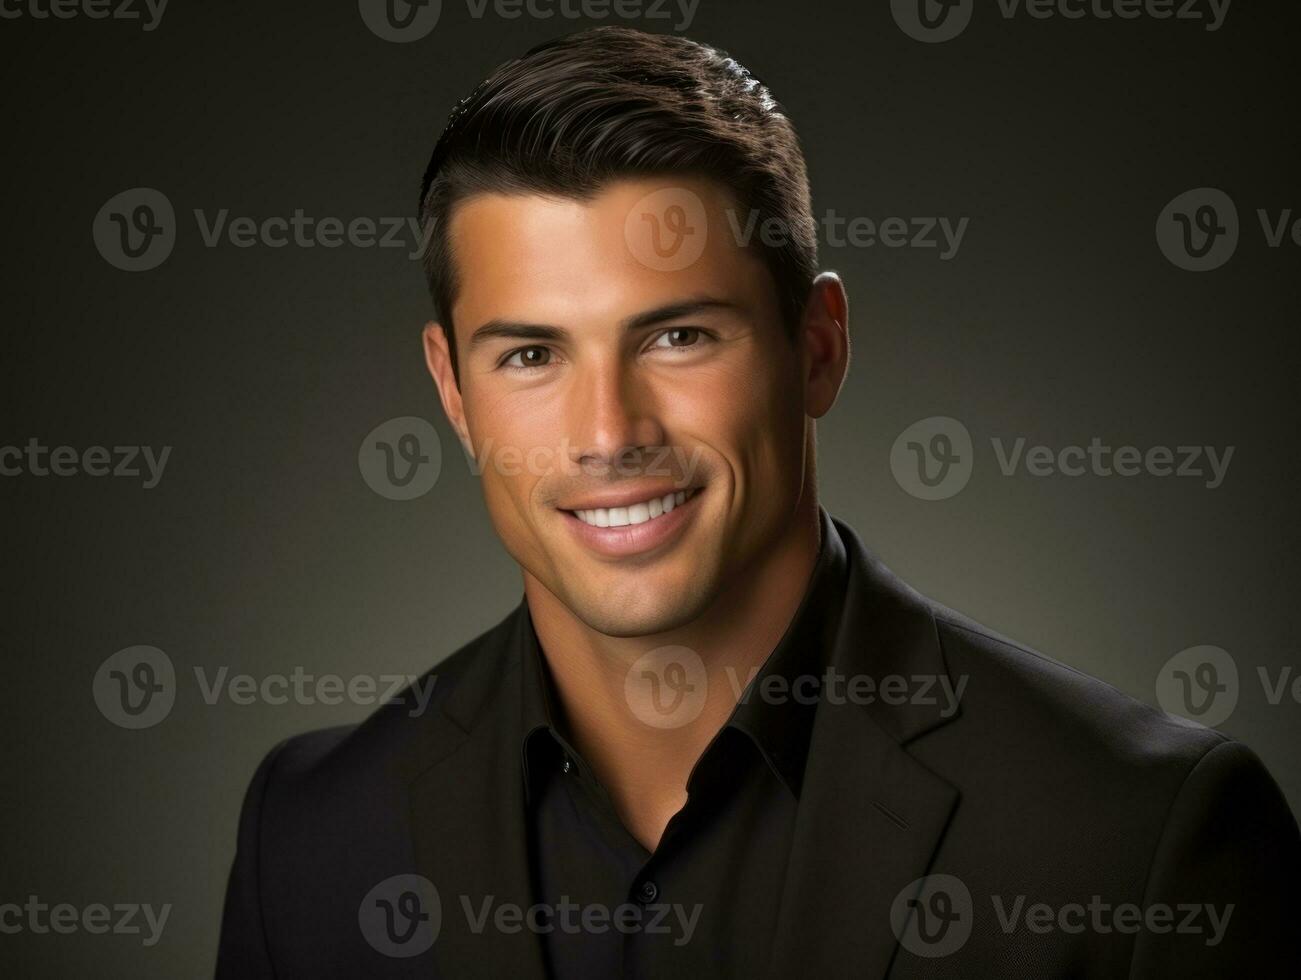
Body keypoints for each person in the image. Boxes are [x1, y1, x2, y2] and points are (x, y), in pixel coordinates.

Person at [216, 26, 1298, 978]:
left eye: (677, 335)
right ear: (452, 391)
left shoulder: (1135, 839)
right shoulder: (311, 835)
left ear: (815, 348)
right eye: (533, 353)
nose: (608, 432)